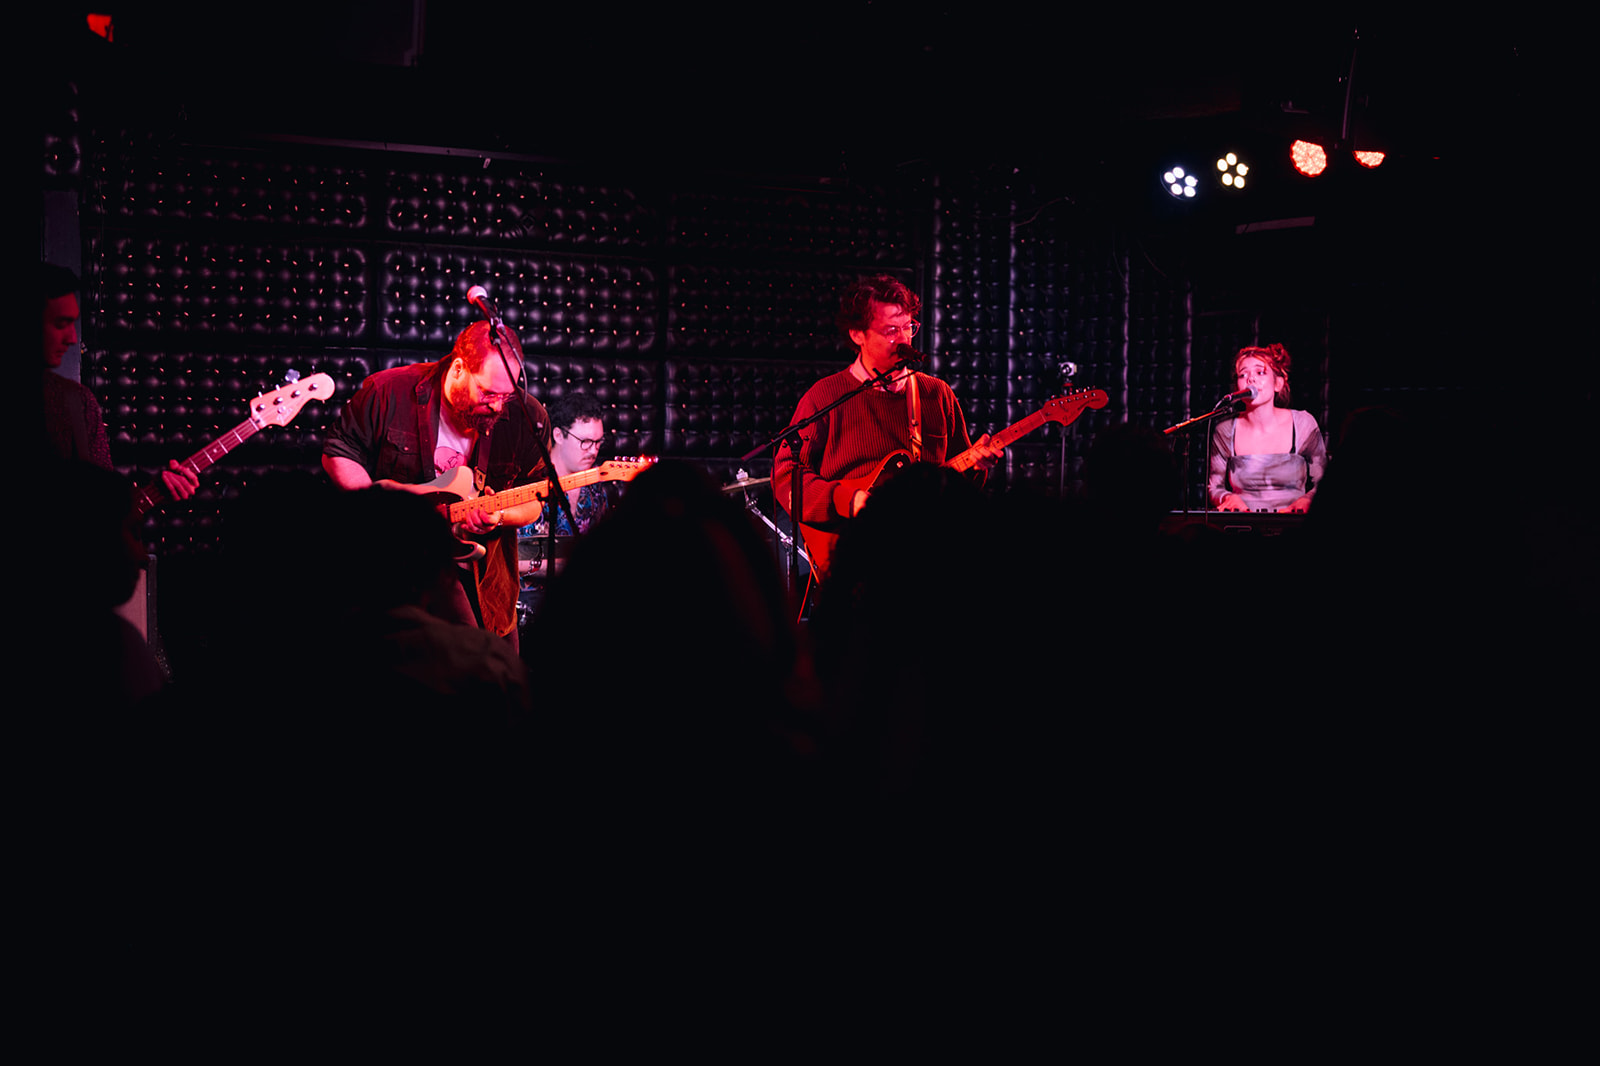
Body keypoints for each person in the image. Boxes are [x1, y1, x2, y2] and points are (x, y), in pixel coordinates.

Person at [321, 320, 553, 647]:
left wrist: (499, 516)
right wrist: (379, 519)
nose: (498, 406)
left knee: (495, 668)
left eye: (506, 395)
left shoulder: (527, 416)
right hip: (399, 572)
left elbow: (535, 499)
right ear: (458, 369)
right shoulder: (389, 391)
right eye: (488, 393)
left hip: (486, 581)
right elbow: (338, 452)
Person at [772, 275, 1001, 548]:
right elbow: (786, 477)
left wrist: (975, 467)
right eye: (891, 330)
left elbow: (956, 492)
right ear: (857, 334)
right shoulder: (824, 396)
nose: (904, 339)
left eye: (908, 327)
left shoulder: (936, 394)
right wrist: (847, 500)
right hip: (853, 550)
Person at [41, 263, 198, 500]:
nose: (72, 338)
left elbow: (103, 506)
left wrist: (158, 490)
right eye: (60, 324)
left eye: (73, 324)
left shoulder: (78, 401)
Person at [1208, 343, 1327, 513]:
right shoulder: (1225, 430)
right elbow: (1214, 487)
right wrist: (1227, 497)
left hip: (1293, 523)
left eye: (1260, 372)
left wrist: (1308, 500)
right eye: (1243, 375)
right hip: (1244, 523)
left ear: (1278, 383)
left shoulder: (1303, 423)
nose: (1251, 379)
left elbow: (1324, 482)